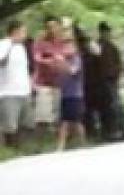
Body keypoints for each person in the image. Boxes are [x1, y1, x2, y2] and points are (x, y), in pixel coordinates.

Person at [32, 16, 71, 139]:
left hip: (60, 83)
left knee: (59, 116)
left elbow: (70, 58)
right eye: (49, 27)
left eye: (54, 26)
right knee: (42, 116)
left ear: (59, 26)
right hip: (44, 83)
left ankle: (60, 142)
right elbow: (37, 58)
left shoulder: (64, 42)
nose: (52, 29)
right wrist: (49, 60)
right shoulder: (41, 43)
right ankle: (39, 143)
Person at [0, 20, 32, 148]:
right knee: (10, 125)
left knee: (25, 123)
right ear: (15, 31)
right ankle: (9, 148)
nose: (25, 34)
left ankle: (20, 148)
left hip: (24, 90)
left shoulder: (21, 47)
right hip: (9, 92)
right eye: (23, 31)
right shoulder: (4, 44)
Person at [92, 22, 124, 140]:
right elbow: (94, 63)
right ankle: (107, 131)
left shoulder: (112, 47)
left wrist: (117, 74)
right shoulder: (96, 46)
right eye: (104, 32)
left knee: (115, 105)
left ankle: (117, 130)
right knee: (104, 107)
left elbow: (119, 63)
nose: (106, 34)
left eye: (107, 32)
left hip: (112, 80)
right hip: (100, 81)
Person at [57, 27, 85, 152]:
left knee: (76, 121)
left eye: (69, 47)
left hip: (75, 95)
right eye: (65, 48)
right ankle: (61, 146)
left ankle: (83, 143)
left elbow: (72, 71)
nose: (66, 50)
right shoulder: (64, 60)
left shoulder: (76, 60)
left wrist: (63, 62)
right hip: (65, 94)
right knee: (64, 121)